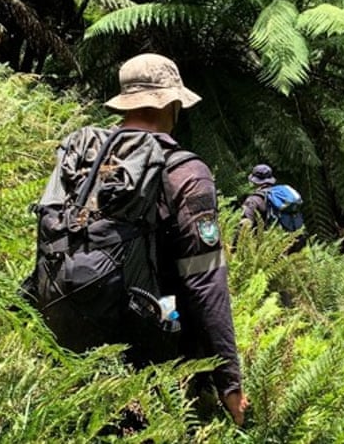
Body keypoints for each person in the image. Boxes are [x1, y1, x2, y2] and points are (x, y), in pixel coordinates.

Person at [103, 53, 249, 426]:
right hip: (158, 348)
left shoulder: (87, 159)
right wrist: (229, 381)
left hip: (80, 329)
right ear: (172, 103)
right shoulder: (186, 172)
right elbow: (205, 280)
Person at [239, 163, 277, 233]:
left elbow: (245, 225)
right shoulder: (278, 197)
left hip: (259, 241)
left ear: (254, 181)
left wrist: (234, 243)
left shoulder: (252, 201)